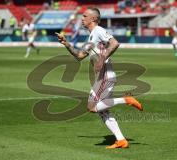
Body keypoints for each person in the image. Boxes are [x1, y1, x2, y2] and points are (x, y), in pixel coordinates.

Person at [56, 8, 143, 149]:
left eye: (85, 16)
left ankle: (125, 99)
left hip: (105, 77)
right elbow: (79, 56)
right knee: (103, 112)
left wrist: (103, 58)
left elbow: (115, 43)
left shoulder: (98, 30)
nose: (82, 18)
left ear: (93, 19)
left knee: (92, 107)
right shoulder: (91, 37)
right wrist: (66, 44)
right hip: (102, 77)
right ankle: (121, 140)